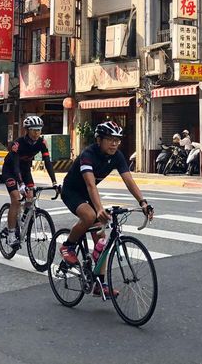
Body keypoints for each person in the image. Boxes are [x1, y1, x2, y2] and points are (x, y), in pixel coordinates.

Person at [58, 121, 154, 298]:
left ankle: (99, 284)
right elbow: (90, 184)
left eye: (117, 140)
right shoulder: (88, 154)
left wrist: (143, 202)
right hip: (72, 191)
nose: (114, 144)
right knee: (89, 215)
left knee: (102, 240)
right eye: (110, 140)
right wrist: (100, 208)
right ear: (98, 140)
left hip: (88, 194)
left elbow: (129, 180)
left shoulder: (117, 156)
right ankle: (68, 246)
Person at [2, 116, 59, 247]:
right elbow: (16, 165)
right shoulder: (18, 143)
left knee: (30, 197)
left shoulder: (41, 142)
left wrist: (54, 182)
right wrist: (20, 184)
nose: (36, 133)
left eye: (39, 130)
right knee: (16, 200)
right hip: (10, 170)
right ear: (27, 130)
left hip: (25, 170)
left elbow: (47, 162)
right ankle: (10, 234)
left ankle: (21, 220)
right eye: (33, 130)